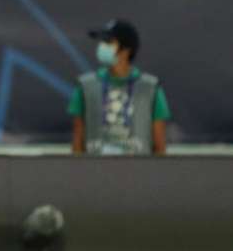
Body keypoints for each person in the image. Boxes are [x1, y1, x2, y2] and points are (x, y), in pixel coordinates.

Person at [69, 19, 171, 156]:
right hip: (93, 173)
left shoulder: (151, 88)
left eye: (108, 42)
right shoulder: (85, 87)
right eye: (102, 42)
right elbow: (77, 144)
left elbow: (160, 148)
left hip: (139, 174)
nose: (102, 47)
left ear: (125, 50)